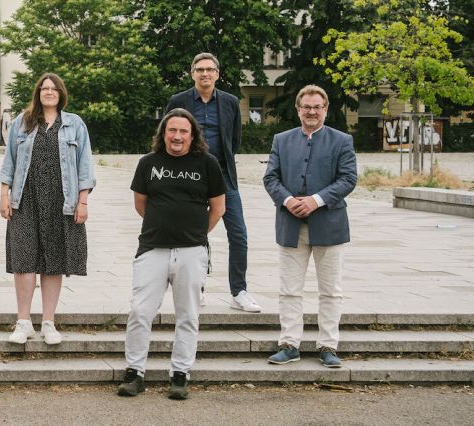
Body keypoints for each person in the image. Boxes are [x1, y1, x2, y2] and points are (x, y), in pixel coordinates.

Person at [118, 109, 225, 400]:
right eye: (172, 130)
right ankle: (135, 372)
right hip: (152, 249)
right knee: (140, 311)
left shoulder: (208, 164)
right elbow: (141, 204)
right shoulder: (148, 164)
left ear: (193, 136)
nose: (177, 136)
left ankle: (180, 374)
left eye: (183, 131)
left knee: (188, 315)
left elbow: (218, 208)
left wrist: (193, 234)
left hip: (191, 251)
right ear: (163, 133)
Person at [264, 85, 358, 369]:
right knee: (289, 290)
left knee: (331, 290)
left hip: (329, 225)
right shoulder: (282, 139)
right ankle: (289, 343)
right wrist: (288, 200)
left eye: (317, 107)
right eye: (307, 106)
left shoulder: (342, 140)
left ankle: (328, 345)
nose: (312, 112)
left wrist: (316, 201)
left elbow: (348, 179)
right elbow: (271, 178)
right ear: (298, 109)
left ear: (326, 110)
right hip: (291, 225)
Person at [0, 73, 94, 345]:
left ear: (61, 93)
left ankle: (48, 322)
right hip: (25, 198)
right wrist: (4, 195)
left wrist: (83, 200)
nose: (49, 92)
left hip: (61, 200)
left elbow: (85, 164)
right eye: (44, 88)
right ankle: (23, 321)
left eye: (53, 88)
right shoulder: (23, 121)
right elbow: (10, 161)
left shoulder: (74, 124)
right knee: (24, 258)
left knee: (54, 260)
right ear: (38, 92)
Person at [164, 53, 260, 312]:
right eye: (200, 69)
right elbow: (168, 135)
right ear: (192, 73)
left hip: (223, 176)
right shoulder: (179, 101)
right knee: (194, 234)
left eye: (210, 69)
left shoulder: (229, 102)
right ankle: (197, 288)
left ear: (217, 73)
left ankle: (239, 291)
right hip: (189, 176)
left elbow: (234, 140)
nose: (205, 74)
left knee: (238, 234)